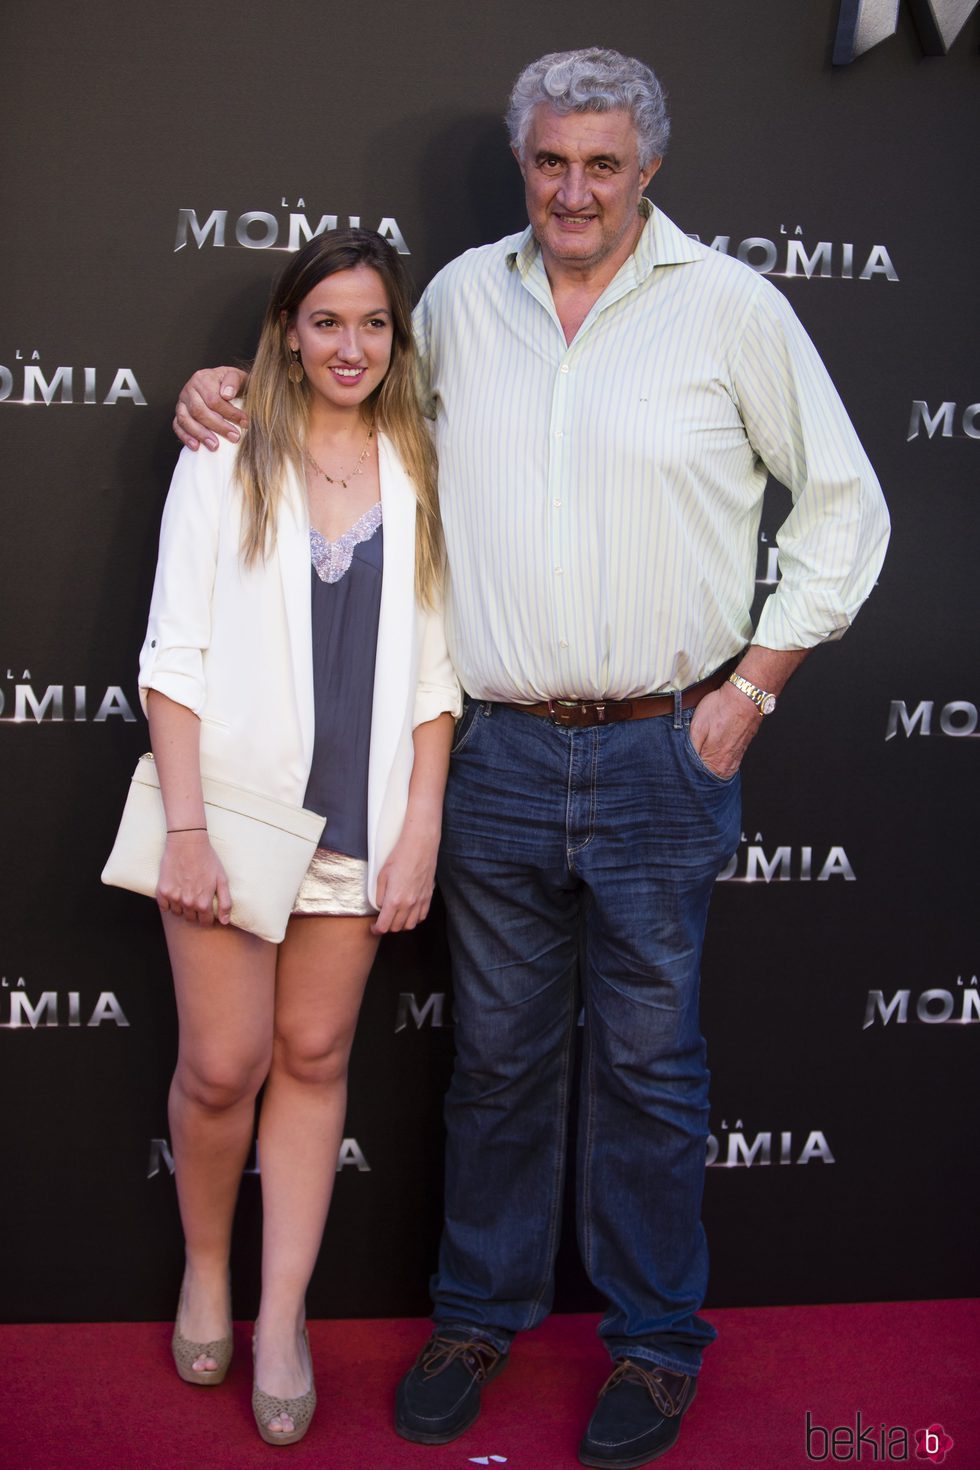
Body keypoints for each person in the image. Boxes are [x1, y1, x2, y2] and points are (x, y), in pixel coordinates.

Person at [171, 47, 889, 1469]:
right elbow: (345, 409)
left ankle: (653, 1341)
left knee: (650, 1065)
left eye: (603, 164)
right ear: (525, 166)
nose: (574, 189)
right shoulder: (452, 304)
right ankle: (479, 1316)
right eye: (551, 162)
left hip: (659, 749)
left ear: (650, 170)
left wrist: (752, 685)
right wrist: (230, 390)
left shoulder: (733, 310)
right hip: (493, 751)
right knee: (493, 1064)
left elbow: (846, 508)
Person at [144, 227, 458, 1447]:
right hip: (230, 818)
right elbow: (172, 655)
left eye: (373, 324)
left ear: (396, 339)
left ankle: (281, 1315)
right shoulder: (224, 454)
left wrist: (417, 828)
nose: (350, 345)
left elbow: (436, 675)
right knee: (224, 1065)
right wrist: (184, 829)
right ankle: (207, 1269)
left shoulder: (418, 463)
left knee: (316, 1058)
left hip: (363, 822)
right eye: (326, 320)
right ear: (287, 329)